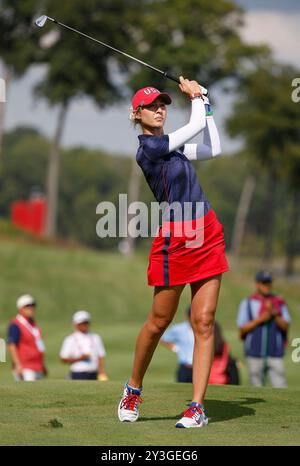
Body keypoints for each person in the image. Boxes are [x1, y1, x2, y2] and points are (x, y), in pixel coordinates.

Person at [118, 77, 229, 428]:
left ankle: (197, 407)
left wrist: (206, 103)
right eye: (152, 106)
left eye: (162, 104)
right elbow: (194, 125)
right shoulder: (149, 149)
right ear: (137, 114)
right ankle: (133, 388)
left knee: (204, 321)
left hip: (207, 231)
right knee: (159, 322)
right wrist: (197, 96)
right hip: (176, 240)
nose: (160, 109)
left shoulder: (173, 147)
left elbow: (214, 148)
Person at [237, 270, 291, 388]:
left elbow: (286, 326)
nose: (267, 286)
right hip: (254, 352)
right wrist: (261, 319)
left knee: (280, 386)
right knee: (256, 387)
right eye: (263, 282)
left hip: (275, 353)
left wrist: (275, 314)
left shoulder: (279, 302)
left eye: (268, 283)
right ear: (257, 284)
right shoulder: (248, 302)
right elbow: (242, 329)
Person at [160, 307, 239, 385]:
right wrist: (175, 348)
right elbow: (163, 338)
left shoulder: (203, 328)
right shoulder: (179, 329)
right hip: (185, 367)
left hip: (199, 368)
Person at [7, 294, 47, 381]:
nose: (31, 308)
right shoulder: (16, 324)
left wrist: (43, 366)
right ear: (20, 308)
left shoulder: (33, 325)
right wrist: (18, 365)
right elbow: (12, 345)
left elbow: (39, 346)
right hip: (25, 367)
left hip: (37, 367)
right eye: (27, 306)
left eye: (32, 305)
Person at [60, 310, 108, 381]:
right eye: (81, 323)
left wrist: (102, 372)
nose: (84, 325)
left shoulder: (96, 337)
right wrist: (79, 358)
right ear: (76, 324)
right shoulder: (70, 339)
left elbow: (100, 356)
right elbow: (63, 358)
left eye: (86, 323)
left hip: (94, 373)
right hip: (77, 373)